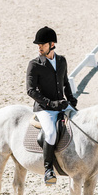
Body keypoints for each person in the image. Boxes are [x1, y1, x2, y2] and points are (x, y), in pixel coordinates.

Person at [26, 26, 78, 186]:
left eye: (42, 44)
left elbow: (65, 82)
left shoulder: (61, 60)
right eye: (38, 45)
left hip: (62, 105)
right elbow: (30, 90)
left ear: (52, 44)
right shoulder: (34, 64)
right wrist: (50, 103)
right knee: (50, 133)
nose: (39, 47)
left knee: (81, 123)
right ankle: (48, 170)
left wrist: (71, 98)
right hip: (45, 108)